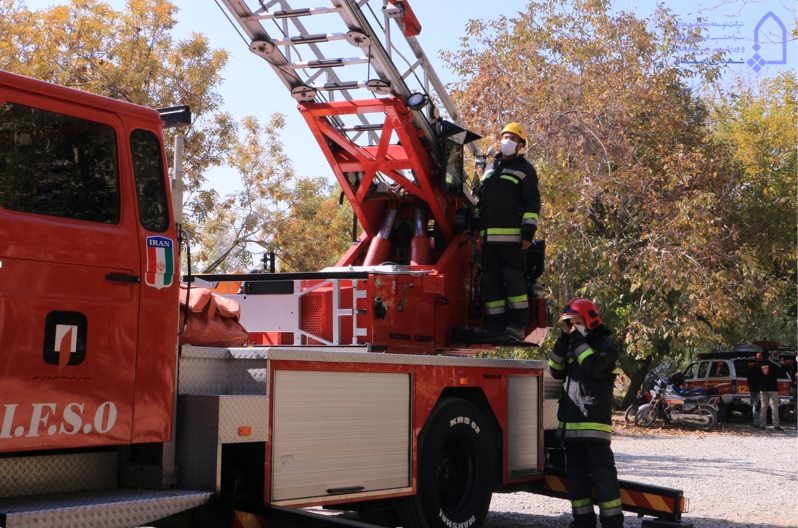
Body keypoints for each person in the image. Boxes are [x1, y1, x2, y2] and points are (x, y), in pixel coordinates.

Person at [548, 298, 624, 528]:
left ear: (590, 320)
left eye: (576, 323)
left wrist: (577, 341)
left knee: (603, 476)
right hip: (570, 423)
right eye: (568, 324)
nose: (571, 328)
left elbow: (593, 367)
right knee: (577, 477)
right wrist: (563, 340)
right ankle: (583, 520)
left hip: (593, 425)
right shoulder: (572, 342)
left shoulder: (606, 346)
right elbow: (555, 370)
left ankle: (612, 522)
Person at [476, 122, 541, 341]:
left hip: (513, 240)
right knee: (491, 281)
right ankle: (495, 324)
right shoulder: (490, 168)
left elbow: (532, 204)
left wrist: (527, 234)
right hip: (488, 241)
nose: (507, 142)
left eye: (513, 139)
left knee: (514, 281)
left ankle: (518, 323)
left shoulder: (525, 170)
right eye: (505, 137)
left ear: (521, 145)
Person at [750, 352, 784, 431]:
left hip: (762, 389)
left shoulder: (758, 367)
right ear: (769, 357)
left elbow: (755, 378)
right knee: (774, 407)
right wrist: (782, 364)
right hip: (773, 389)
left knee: (763, 407)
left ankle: (762, 426)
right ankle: (776, 425)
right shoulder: (773, 365)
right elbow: (782, 373)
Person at [746, 355, 762, 428]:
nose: (759, 360)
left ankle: (760, 422)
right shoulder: (752, 369)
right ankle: (757, 422)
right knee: (756, 406)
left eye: (760, 359)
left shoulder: (764, 368)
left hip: (763, 390)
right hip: (756, 391)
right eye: (758, 359)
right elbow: (750, 380)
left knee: (759, 406)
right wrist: (752, 390)